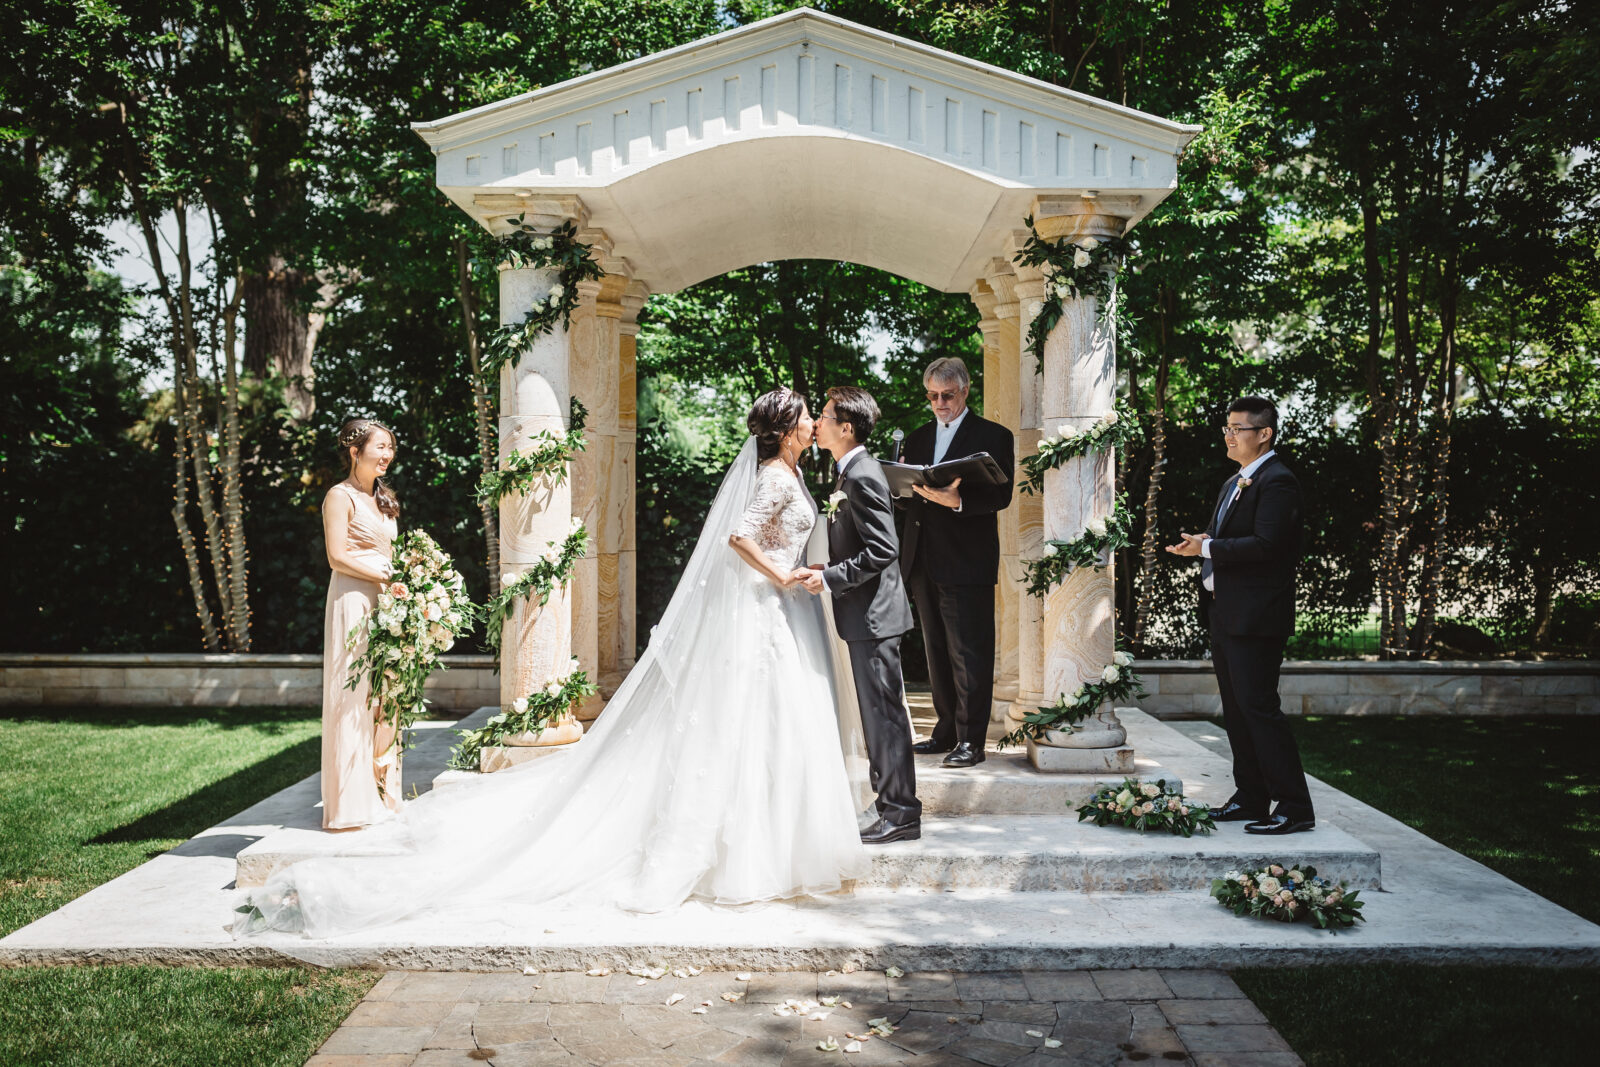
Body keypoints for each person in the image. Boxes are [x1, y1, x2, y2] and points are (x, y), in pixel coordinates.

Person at [236, 388, 871, 940]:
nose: (816, 424)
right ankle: (756, 853)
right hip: (769, 611)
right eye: (807, 419)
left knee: (768, 726)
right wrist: (785, 575)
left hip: (775, 616)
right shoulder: (776, 479)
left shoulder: (788, 475)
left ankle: (764, 843)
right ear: (787, 430)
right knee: (761, 722)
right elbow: (740, 537)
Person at [1165, 396, 1315, 835]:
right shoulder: (1235, 482)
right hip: (1226, 613)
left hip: (1257, 617)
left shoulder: (1278, 481)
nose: (1229, 435)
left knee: (1259, 709)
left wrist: (1208, 548)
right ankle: (1250, 797)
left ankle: (1294, 806)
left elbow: (1269, 546)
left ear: (1264, 434)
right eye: (1226, 427)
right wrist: (1203, 540)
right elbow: (1231, 538)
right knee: (1236, 710)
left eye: (1237, 428)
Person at [798, 386, 921, 844]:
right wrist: (827, 568)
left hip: (876, 616)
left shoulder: (864, 474)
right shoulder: (847, 472)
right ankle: (889, 803)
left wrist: (831, 579)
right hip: (866, 614)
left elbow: (884, 548)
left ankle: (902, 813)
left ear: (845, 427)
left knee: (884, 715)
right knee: (877, 714)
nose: (817, 423)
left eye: (825, 416)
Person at [898, 357, 1015, 768]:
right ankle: (945, 730)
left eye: (947, 395)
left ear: (965, 391)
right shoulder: (916, 437)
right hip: (922, 557)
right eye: (932, 396)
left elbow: (1002, 496)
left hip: (967, 560)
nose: (939, 403)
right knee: (937, 650)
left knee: (970, 653)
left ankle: (972, 741)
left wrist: (959, 500)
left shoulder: (994, 436)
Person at [320, 419, 402, 830]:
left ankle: (381, 790)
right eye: (379, 447)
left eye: (390, 447)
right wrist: (383, 577)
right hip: (353, 602)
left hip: (388, 604)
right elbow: (336, 556)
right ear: (355, 452)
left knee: (387, 692)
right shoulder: (339, 496)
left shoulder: (386, 499)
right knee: (353, 696)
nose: (387, 455)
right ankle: (350, 803)